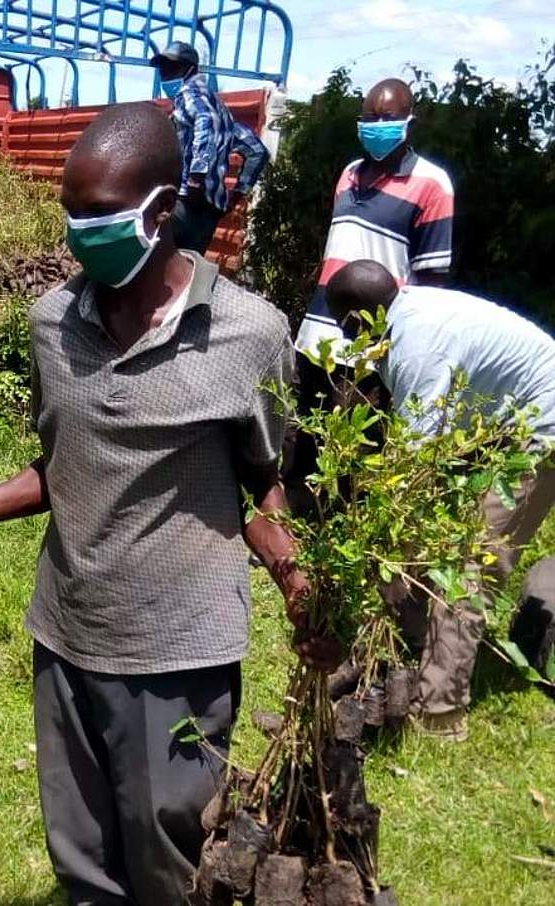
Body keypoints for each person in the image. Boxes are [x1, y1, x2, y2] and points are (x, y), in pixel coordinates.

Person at [0, 103, 335, 905]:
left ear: (163, 211)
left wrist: (297, 582)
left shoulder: (249, 335)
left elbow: (267, 490)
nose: (78, 233)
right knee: (83, 857)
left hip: (178, 652)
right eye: (71, 214)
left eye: (99, 216)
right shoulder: (51, 324)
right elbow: (61, 466)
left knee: (173, 853)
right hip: (67, 634)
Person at [327, 259, 555, 738]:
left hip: (542, 431)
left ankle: (439, 712)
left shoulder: (418, 347)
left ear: (358, 319)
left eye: (347, 331)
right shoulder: (405, 314)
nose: (350, 346)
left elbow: (409, 471)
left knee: (473, 565)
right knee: (427, 540)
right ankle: (420, 647)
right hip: (510, 419)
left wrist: (370, 538)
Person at [294, 78, 454, 360]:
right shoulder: (349, 174)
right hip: (317, 335)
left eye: (388, 118)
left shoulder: (433, 184)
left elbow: (432, 282)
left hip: (373, 349)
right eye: (371, 118)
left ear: (410, 124)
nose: (378, 125)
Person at [150, 41, 268, 254]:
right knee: (189, 269)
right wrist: (238, 193)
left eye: (172, 68)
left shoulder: (190, 94)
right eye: (163, 69)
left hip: (183, 200)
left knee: (156, 262)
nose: (165, 75)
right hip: (210, 209)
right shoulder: (221, 108)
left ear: (191, 70)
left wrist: (197, 176)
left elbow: (205, 119)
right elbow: (257, 151)